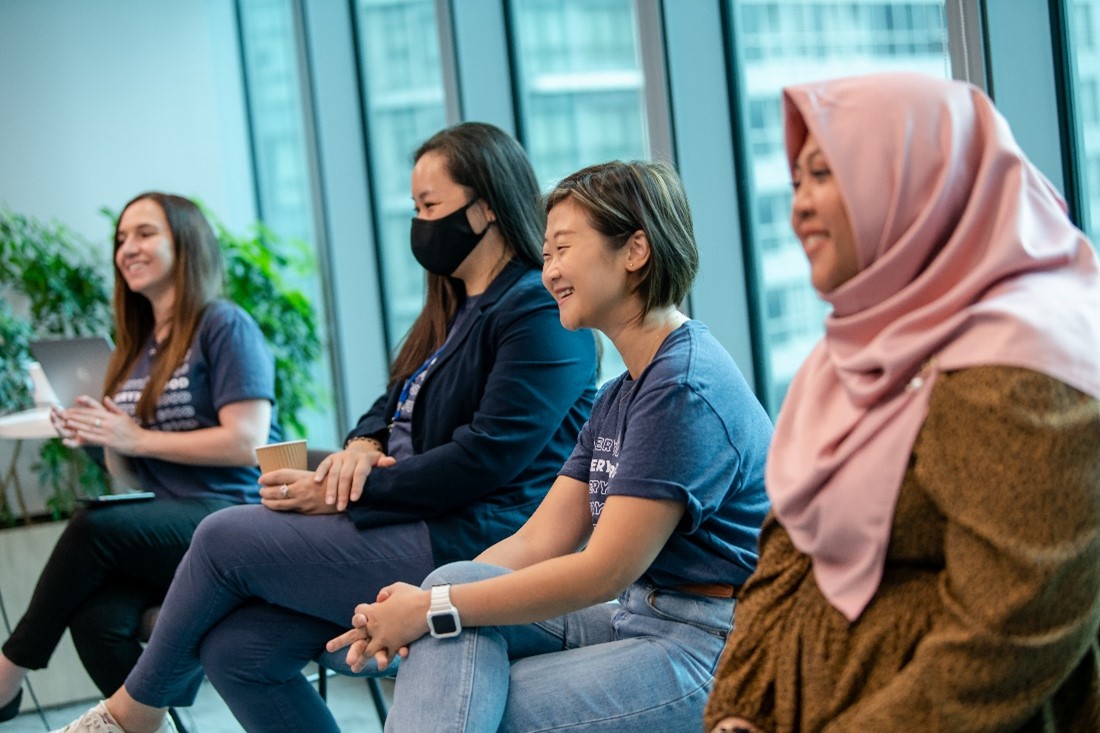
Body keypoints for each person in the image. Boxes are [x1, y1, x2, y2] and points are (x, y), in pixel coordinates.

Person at [52, 121, 597, 733]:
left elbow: (486, 458)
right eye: (414, 207)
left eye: (430, 206)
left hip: (472, 540)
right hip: (412, 518)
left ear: (487, 208)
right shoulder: (449, 310)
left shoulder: (535, 310)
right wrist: (361, 449)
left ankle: (131, 714)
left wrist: (344, 489)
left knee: (223, 535)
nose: (419, 223)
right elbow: (385, 407)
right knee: (238, 651)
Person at [705, 72, 1100, 733]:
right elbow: (787, 556)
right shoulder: (851, 354)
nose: (798, 205)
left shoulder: (1019, 363)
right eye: (796, 180)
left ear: (916, 182)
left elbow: (1009, 630)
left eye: (825, 174)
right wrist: (739, 709)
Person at [328, 160, 774, 732]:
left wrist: (430, 612)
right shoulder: (624, 391)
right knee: (449, 589)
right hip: (640, 616)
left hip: (712, 646)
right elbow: (541, 539)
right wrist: (418, 604)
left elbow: (602, 572)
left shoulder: (683, 388)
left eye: (563, 249)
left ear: (636, 249)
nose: (550, 272)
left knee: (474, 704)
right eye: (545, 256)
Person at [0, 192, 280, 723]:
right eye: (121, 239)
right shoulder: (138, 346)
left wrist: (135, 438)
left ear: (186, 241)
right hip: (169, 524)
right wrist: (102, 435)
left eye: (145, 234)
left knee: (93, 528)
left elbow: (248, 440)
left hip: (234, 514)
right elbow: (129, 470)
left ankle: (5, 677)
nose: (128, 248)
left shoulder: (223, 325)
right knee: (98, 618)